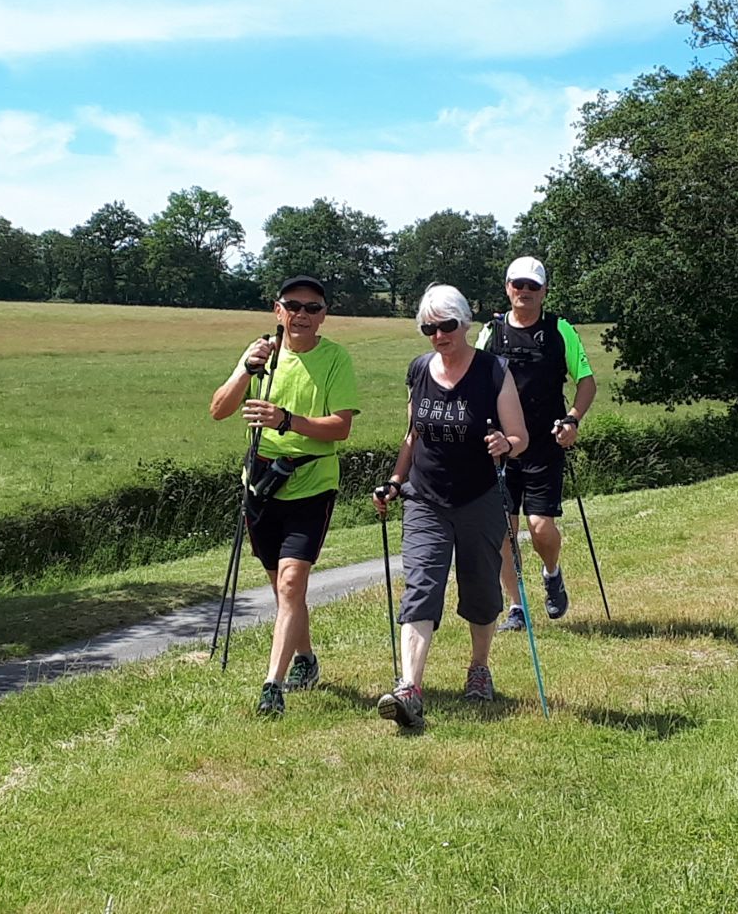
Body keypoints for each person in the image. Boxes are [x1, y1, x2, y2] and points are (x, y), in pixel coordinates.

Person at [371, 284, 530, 731]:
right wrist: (395, 481)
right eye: (429, 328)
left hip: (479, 497)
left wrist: (506, 443)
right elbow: (412, 435)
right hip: (425, 498)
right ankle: (409, 689)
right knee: (421, 584)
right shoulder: (419, 370)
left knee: (480, 589)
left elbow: (520, 438)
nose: (439, 335)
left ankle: (479, 668)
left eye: (447, 326)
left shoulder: (493, 370)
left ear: (465, 325)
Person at [208, 276, 360, 717]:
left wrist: (285, 420)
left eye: (312, 308)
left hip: (312, 482)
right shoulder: (262, 355)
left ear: (323, 315)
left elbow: (341, 427)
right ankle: (307, 660)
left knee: (293, 582)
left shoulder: (335, 359)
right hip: (261, 483)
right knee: (282, 588)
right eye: (293, 306)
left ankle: (271, 685)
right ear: (278, 311)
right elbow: (219, 410)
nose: (302, 315)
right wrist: (245, 369)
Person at [475, 256, 597, 630]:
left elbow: (586, 381)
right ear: (508, 288)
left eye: (533, 287)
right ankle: (517, 607)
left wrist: (573, 420)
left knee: (540, 525)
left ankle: (551, 573)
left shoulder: (559, 330)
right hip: (502, 445)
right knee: (504, 530)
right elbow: (476, 381)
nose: (524, 292)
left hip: (545, 442)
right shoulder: (491, 333)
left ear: (544, 291)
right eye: (518, 285)